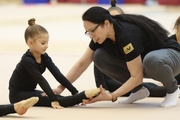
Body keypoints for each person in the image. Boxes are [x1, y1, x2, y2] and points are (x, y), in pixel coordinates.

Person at [53, 6, 180, 108]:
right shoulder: (100, 37)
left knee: (151, 60)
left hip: (171, 58)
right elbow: (82, 63)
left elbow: (137, 76)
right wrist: (60, 87)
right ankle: (138, 91)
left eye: (93, 30)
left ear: (106, 23)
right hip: (146, 63)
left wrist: (113, 95)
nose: (91, 35)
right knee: (99, 56)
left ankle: (173, 89)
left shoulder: (126, 35)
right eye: (88, 32)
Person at [94, 0, 180, 98]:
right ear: (105, 23)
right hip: (124, 83)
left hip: (145, 71)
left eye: (117, 18)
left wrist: (113, 96)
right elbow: (86, 66)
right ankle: (140, 90)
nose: (114, 22)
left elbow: (138, 74)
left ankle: (171, 89)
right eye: (111, 19)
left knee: (151, 62)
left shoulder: (128, 34)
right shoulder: (100, 39)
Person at [8, 18, 100, 109]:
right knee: (53, 99)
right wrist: (53, 100)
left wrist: (74, 91)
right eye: (43, 43)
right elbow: (41, 80)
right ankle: (83, 96)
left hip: (30, 91)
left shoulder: (44, 56)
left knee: (58, 97)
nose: (47, 46)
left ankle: (79, 96)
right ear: (30, 42)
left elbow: (58, 75)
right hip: (17, 95)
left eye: (47, 42)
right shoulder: (27, 60)